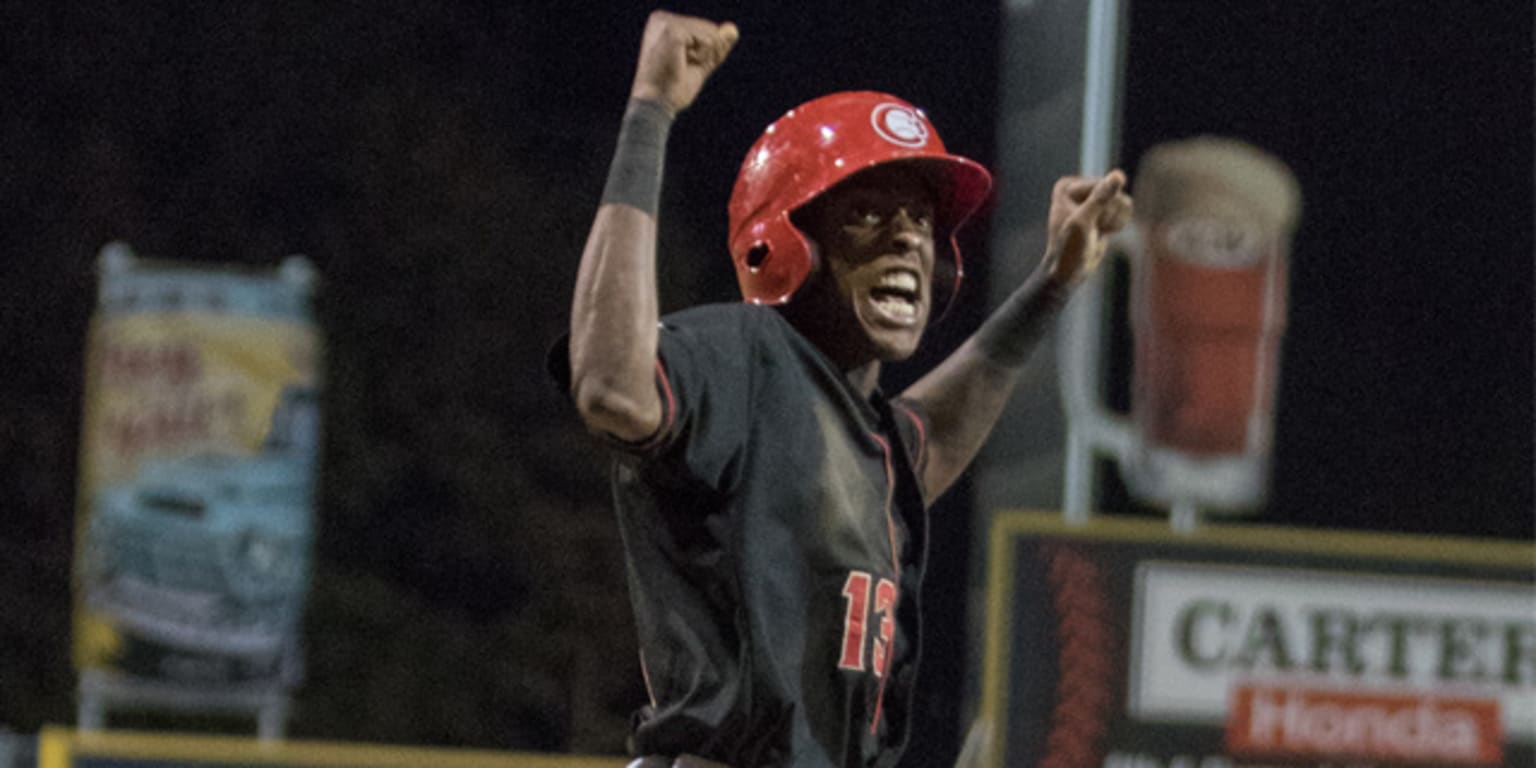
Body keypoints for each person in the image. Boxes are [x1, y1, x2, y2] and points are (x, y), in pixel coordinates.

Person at [559, 10, 1132, 768]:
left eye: (922, 220)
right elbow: (611, 389)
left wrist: (1049, 287)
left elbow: (929, 439)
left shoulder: (868, 434)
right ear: (784, 244)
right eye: (867, 213)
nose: (907, 238)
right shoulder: (748, 355)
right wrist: (650, 111)